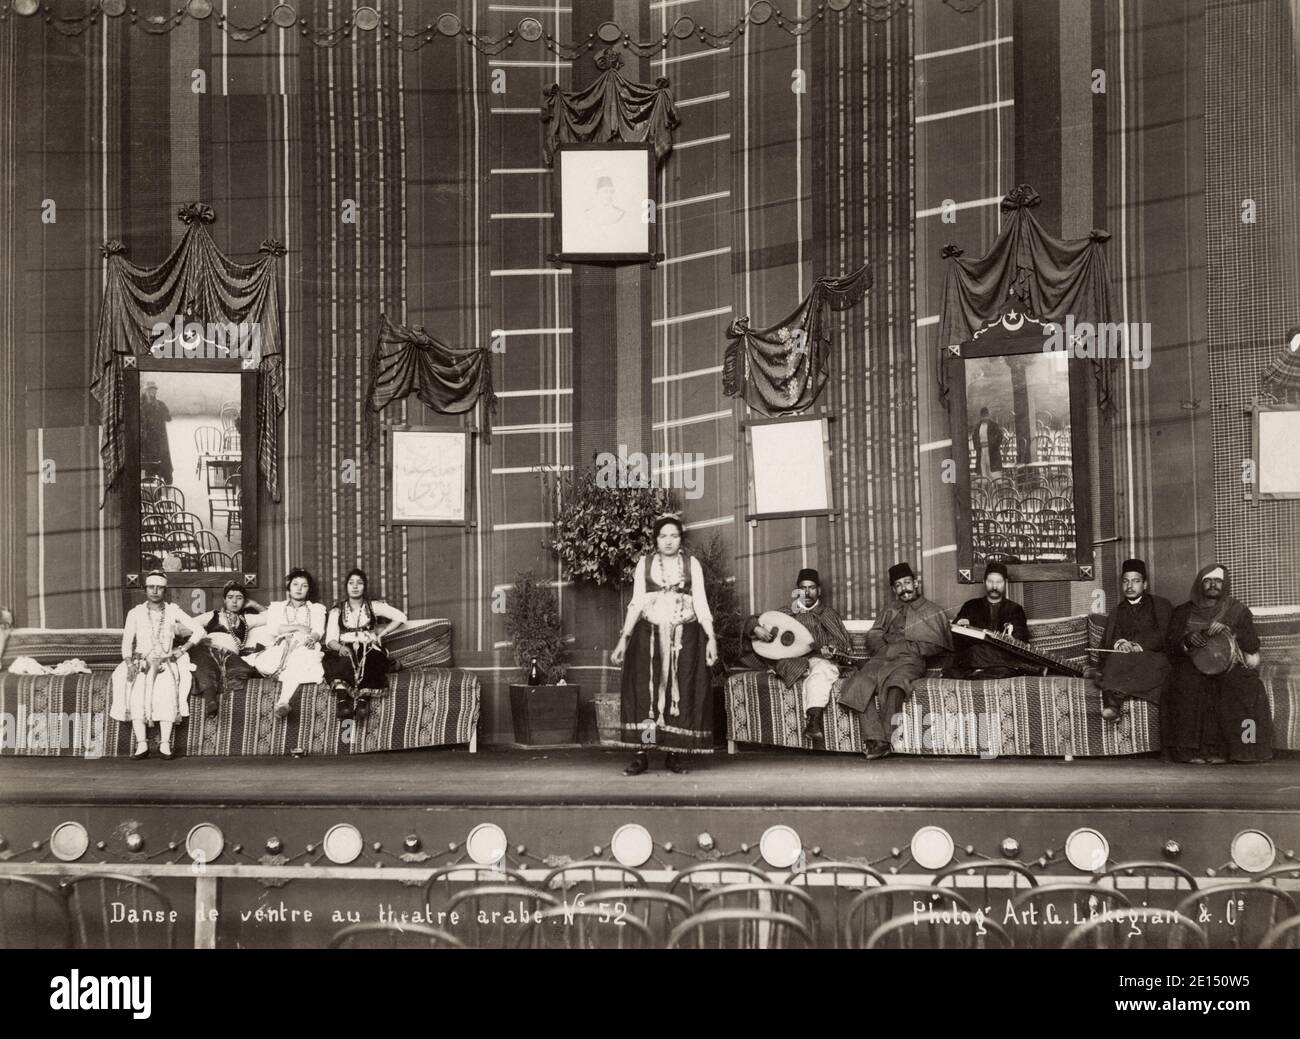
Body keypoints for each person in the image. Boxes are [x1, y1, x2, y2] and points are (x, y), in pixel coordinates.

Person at [610, 516, 717, 775]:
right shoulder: (645, 565)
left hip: (686, 638)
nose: (668, 541)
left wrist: (711, 638)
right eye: (663, 536)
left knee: (678, 695)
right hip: (647, 637)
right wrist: (623, 639)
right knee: (645, 696)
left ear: (681, 539)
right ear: (656, 540)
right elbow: (636, 603)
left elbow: (701, 603)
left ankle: (673, 755)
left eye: (674, 536)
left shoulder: (692, 565)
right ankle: (642, 754)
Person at [839, 562, 952, 760]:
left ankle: (878, 741)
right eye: (898, 585)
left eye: (907, 583)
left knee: (895, 685)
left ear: (916, 583)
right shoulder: (889, 610)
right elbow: (874, 634)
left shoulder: (932, 610)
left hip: (910, 661)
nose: (904, 589)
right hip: (882, 658)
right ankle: (880, 740)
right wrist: (883, 647)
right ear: (894, 589)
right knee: (858, 683)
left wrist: (909, 648)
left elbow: (936, 644)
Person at [1165, 564, 1273, 764]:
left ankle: (1238, 750)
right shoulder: (1183, 611)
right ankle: (1189, 751)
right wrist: (1188, 640)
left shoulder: (1238, 610)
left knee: (1243, 685)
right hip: (1193, 664)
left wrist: (1230, 629)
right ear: (1200, 584)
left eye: (1218, 581)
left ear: (1225, 584)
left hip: (1230, 665)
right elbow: (1170, 647)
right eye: (1207, 580)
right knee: (1185, 683)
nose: (1213, 585)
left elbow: (1252, 644)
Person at [742, 567, 852, 747]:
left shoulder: (828, 614)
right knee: (818, 671)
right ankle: (813, 721)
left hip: (819, 660)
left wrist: (831, 648)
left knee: (824, 670)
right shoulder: (786, 613)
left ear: (819, 591)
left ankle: (813, 723)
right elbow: (752, 620)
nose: (807, 592)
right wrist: (755, 628)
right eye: (803, 588)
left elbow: (842, 642)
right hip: (791, 661)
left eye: (812, 587)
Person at [109, 571, 204, 760]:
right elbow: (127, 644)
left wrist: (183, 649)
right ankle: (142, 744)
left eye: (159, 588)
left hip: (165, 662)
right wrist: (129, 664)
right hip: (141, 662)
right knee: (136, 693)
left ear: (165, 591)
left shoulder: (173, 611)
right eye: (151, 587)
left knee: (167, 692)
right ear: (145, 589)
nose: (155, 591)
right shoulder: (135, 613)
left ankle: (165, 744)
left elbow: (200, 630)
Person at [324, 568, 408, 722]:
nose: (355, 586)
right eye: (351, 583)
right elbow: (330, 640)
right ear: (346, 586)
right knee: (338, 660)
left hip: (368, 646)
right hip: (345, 647)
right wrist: (340, 648)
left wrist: (381, 634)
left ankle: (363, 702)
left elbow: (400, 616)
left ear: (364, 586)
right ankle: (343, 703)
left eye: (359, 583)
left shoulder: (373, 606)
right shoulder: (337, 611)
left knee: (372, 657)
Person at [1094, 559, 1172, 722]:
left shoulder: (1160, 605)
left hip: (1149, 657)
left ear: (1145, 584)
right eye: (1125, 581)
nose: (1130, 586)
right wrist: (1120, 644)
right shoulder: (1116, 611)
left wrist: (1138, 645)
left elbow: (1164, 634)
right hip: (1124, 660)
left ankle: (1113, 699)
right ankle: (1113, 706)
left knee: (1159, 664)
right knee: (1115, 659)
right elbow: (1111, 638)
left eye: (1135, 581)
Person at [247, 568, 327, 720]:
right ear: (289, 587)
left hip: (304, 645)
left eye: (304, 585)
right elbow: (273, 628)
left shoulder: (316, 609)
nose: (299, 588)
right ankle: (282, 672)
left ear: (309, 589)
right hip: (281, 645)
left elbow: (318, 630)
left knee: (299, 659)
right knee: (264, 664)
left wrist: (312, 638)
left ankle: (283, 702)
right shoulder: (277, 607)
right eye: (295, 584)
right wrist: (297, 627)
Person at [190, 582, 267, 718]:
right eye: (230, 597)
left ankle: (216, 693)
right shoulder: (212, 615)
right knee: (206, 667)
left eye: (239, 598)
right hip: (208, 649)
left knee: (243, 670)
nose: (234, 601)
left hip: (229, 654)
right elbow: (186, 624)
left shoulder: (247, 619)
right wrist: (199, 637)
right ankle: (211, 701)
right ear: (224, 600)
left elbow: (270, 617)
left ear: (244, 601)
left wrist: (254, 604)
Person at [946, 561, 1033, 678]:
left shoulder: (1015, 609)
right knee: (975, 652)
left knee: (1005, 662)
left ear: (1005, 583)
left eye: (999, 582)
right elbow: (957, 637)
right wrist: (961, 625)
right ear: (984, 582)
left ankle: (978, 673)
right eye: (990, 582)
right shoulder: (970, 605)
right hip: (976, 656)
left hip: (1002, 657)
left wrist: (1010, 638)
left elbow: (1022, 639)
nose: (994, 586)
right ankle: (988, 671)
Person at [140, 380, 174, 484]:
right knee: (149, 458)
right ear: (145, 391)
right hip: (147, 438)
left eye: (154, 390)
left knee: (162, 457)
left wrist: (162, 413)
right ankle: (150, 479)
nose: (153, 392)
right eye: (150, 390)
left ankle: (165, 477)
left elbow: (169, 418)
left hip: (159, 437)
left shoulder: (160, 405)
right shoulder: (141, 406)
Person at [971, 407, 1004, 478]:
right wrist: (977, 447)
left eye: (986, 415)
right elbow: (974, 438)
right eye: (983, 416)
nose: (984, 418)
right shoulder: (978, 426)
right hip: (981, 452)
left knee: (993, 473)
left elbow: (1000, 436)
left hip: (992, 451)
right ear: (980, 416)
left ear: (988, 415)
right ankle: (985, 487)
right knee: (983, 471)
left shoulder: (994, 425)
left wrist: (994, 446)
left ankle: (996, 487)